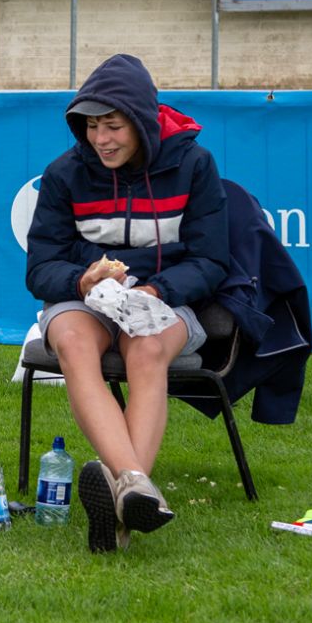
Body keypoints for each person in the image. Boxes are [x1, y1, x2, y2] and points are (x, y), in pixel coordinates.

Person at [25, 54, 228, 553]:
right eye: (92, 126)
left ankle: (123, 500)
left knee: (146, 345)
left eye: (113, 126)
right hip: (87, 303)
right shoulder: (64, 174)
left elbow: (212, 259)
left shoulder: (194, 164)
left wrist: (156, 291)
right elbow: (39, 269)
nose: (101, 139)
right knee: (71, 340)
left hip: (165, 300)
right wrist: (83, 279)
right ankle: (135, 487)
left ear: (140, 122)